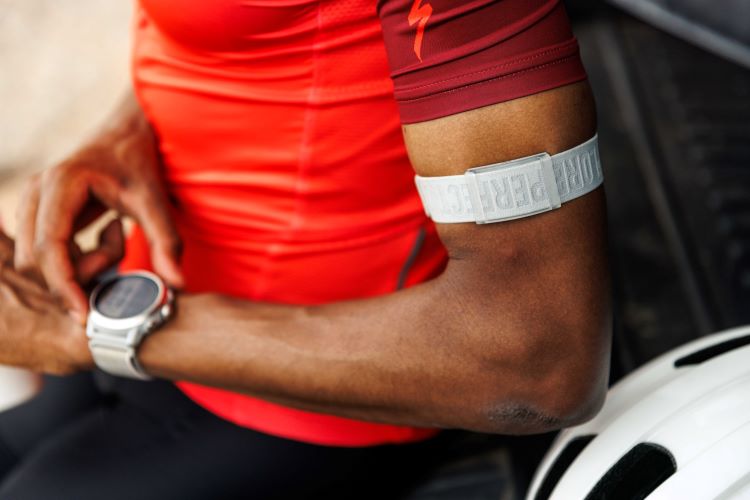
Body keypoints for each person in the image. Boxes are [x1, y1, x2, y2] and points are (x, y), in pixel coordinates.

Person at [0, 0, 611, 498]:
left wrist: (109, 332)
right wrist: (132, 123)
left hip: (331, 396)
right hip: (170, 289)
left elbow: (540, 360)